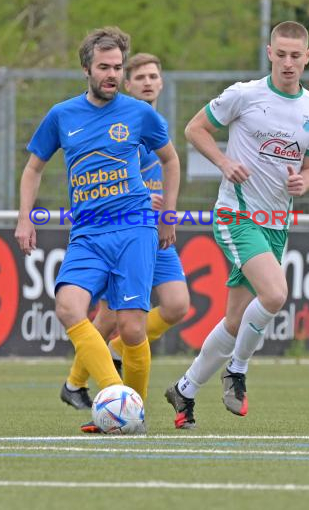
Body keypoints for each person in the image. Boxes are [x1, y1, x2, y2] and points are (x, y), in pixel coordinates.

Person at [165, 21, 309, 429]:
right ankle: (237, 369)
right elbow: (193, 128)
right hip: (236, 215)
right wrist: (223, 162)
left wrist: (302, 183)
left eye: (296, 55)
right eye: (282, 54)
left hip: (276, 224)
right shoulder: (245, 95)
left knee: (236, 321)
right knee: (275, 294)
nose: (288, 63)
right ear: (269, 52)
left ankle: (184, 390)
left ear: (307, 57)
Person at [15, 27, 180, 414]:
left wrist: (168, 214)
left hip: (134, 228)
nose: (112, 75)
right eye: (104, 67)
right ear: (86, 69)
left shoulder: (139, 113)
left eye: (118, 68)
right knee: (69, 306)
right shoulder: (62, 115)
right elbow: (33, 168)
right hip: (88, 233)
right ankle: (117, 400)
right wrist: (25, 217)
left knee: (132, 329)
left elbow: (171, 160)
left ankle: (127, 412)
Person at [60, 53, 190, 421]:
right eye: (140, 77)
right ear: (126, 84)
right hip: (120, 226)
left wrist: (166, 211)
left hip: (151, 229)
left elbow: (171, 163)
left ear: (162, 82)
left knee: (177, 305)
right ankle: (74, 383)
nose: (149, 82)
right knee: (108, 315)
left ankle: (114, 353)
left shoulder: (152, 121)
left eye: (154, 76)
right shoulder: (114, 118)